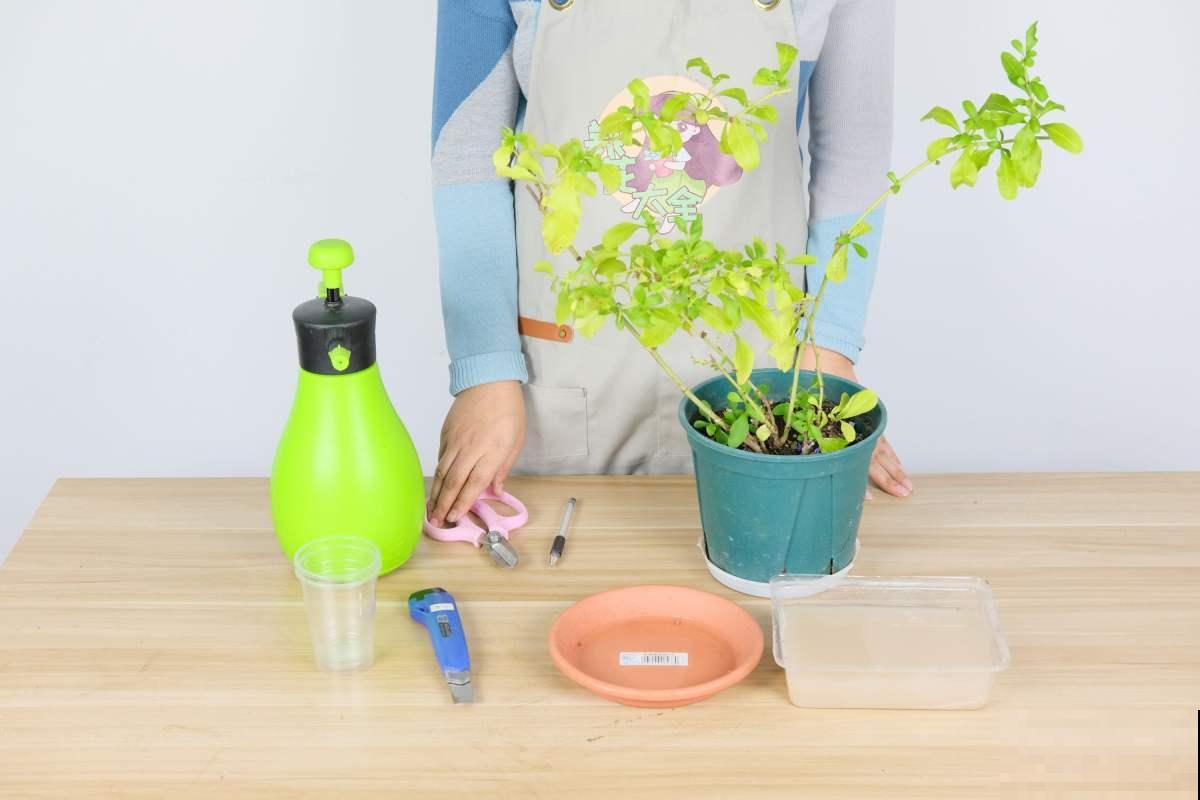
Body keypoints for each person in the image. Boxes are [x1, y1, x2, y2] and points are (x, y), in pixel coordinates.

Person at [428, 0, 910, 527]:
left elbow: (855, 155)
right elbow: (468, 153)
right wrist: (486, 369)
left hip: (761, 388)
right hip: (557, 382)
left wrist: (828, 353)